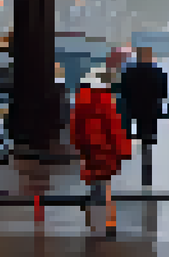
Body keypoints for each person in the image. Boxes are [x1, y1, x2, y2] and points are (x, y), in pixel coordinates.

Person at [70, 68, 132, 238]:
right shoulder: (105, 102)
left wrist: (81, 147)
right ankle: (105, 225)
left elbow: (75, 132)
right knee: (103, 187)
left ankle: (96, 223)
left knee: (96, 185)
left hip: (90, 152)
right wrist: (124, 150)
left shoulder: (80, 104)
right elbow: (115, 129)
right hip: (105, 152)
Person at [120, 47, 169, 186]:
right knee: (148, 141)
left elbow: (123, 92)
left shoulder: (129, 72)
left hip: (134, 109)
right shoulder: (158, 72)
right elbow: (163, 93)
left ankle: (135, 168)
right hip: (151, 111)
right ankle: (147, 170)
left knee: (137, 137)